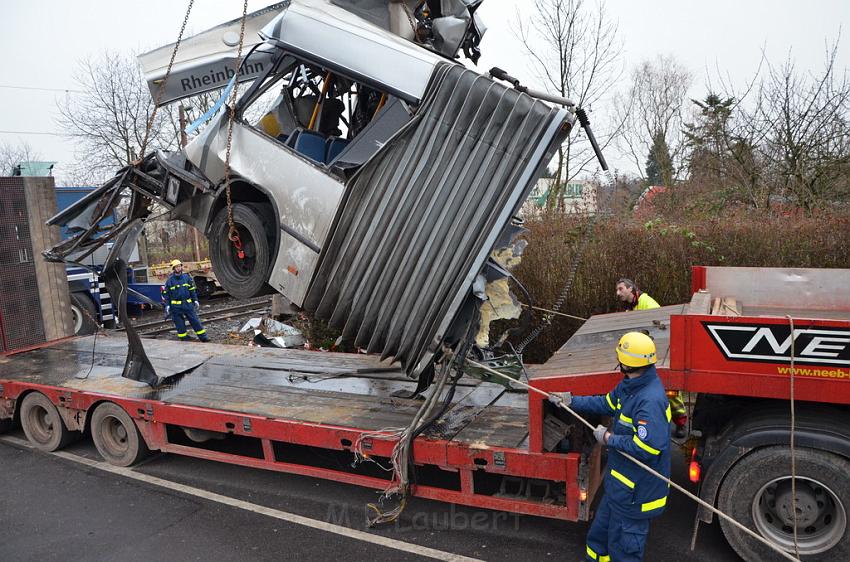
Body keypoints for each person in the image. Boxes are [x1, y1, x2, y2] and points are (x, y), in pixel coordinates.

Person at [550, 332, 671, 562]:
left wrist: (608, 438)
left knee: (624, 552)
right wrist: (571, 401)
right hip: (620, 489)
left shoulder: (649, 400)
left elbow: (648, 448)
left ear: (627, 363)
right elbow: (605, 403)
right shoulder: (631, 385)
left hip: (636, 496)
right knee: (598, 540)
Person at [615, 278, 688, 438]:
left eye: (621, 289)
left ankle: (681, 422)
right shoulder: (631, 306)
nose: (618, 293)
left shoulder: (647, 303)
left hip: (658, 351)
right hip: (644, 352)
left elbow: (660, 325)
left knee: (670, 392)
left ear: (631, 288)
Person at [161, 259, 209, 342]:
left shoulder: (186, 278)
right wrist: (167, 305)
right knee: (179, 323)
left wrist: (195, 300)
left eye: (179, 266)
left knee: (195, 320)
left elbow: (192, 290)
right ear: (173, 269)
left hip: (187, 304)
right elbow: (167, 295)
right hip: (176, 307)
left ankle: (203, 337)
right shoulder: (170, 281)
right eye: (176, 267)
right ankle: (184, 338)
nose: (178, 268)